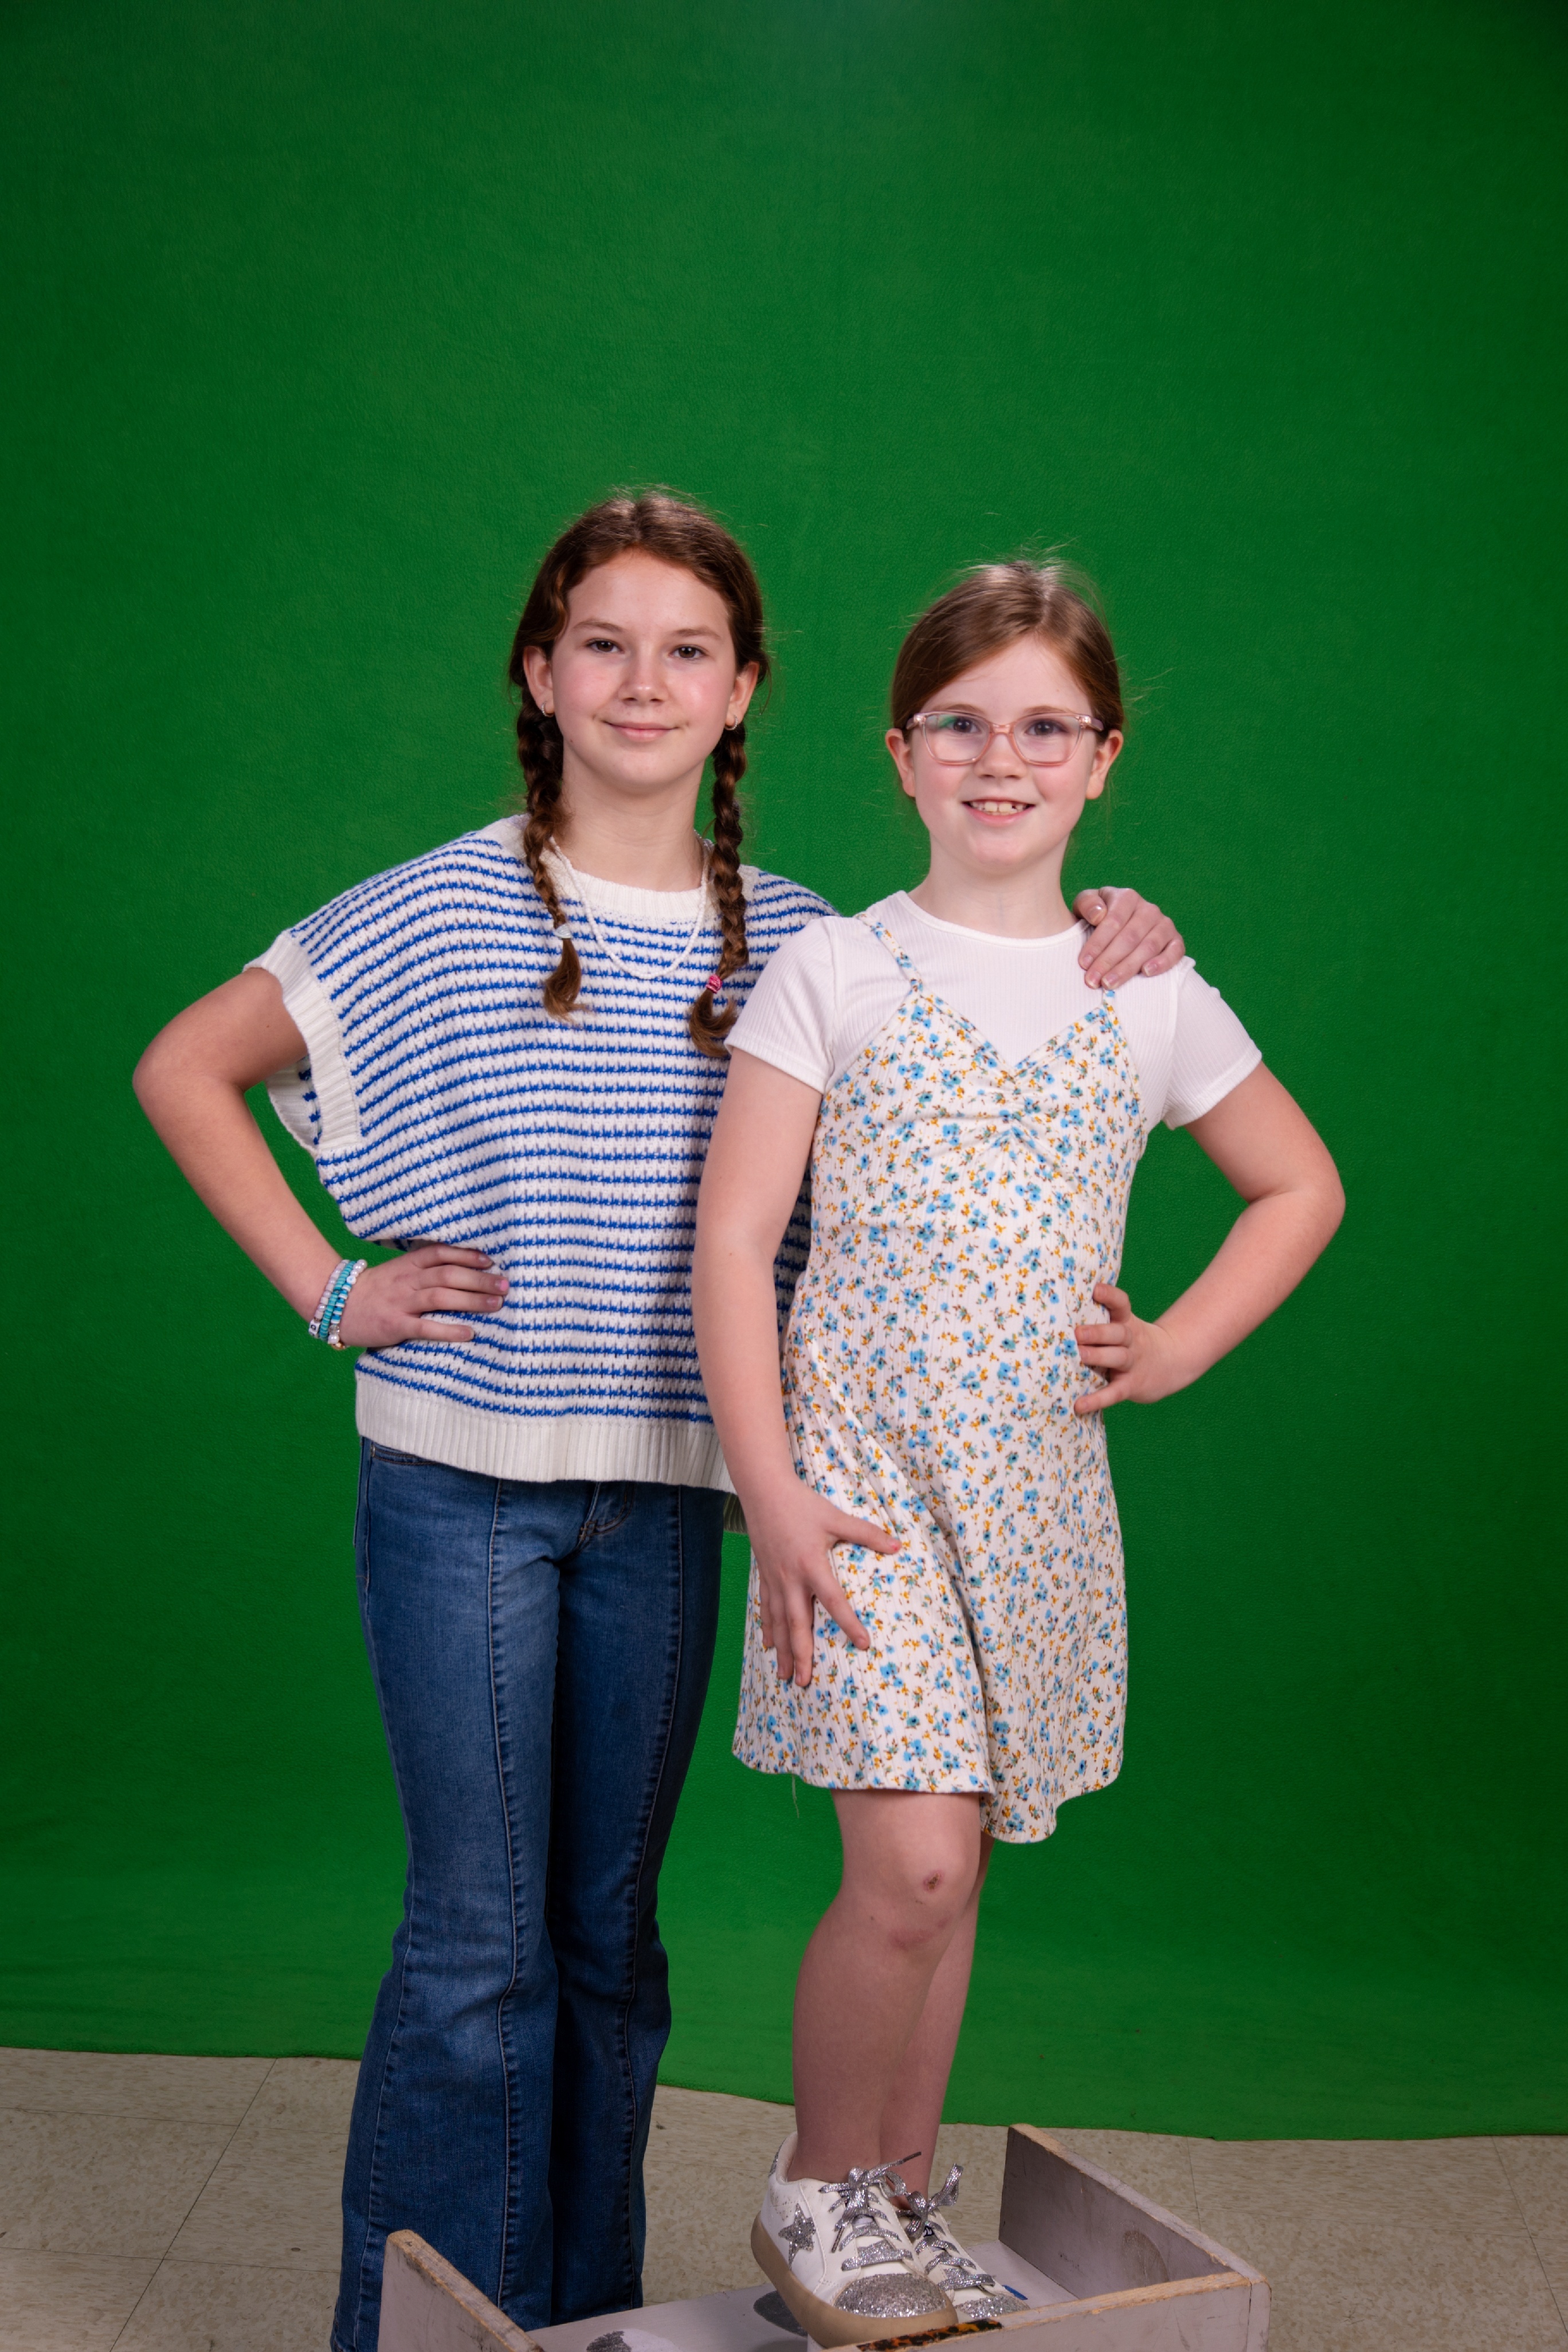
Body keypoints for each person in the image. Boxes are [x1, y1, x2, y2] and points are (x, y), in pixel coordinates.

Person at [131, 497, 1182, 2345]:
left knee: (611, 1941)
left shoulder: (805, 940)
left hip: (681, 1496)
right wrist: (333, 1287)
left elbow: (976, 961)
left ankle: (575, 2317)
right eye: (602, 644)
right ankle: (416, 2326)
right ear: (540, 674)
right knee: (479, 1942)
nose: (643, 681)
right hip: (462, 1485)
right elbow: (186, 1065)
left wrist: (1114, 922)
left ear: (744, 688)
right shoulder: (434, 905)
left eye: (687, 649)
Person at [692, 559, 1344, 2345]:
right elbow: (734, 1241)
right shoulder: (835, 969)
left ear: (1103, 757)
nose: (1004, 760)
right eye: (963, 725)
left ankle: (901, 2205)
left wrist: (1178, 1343)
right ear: (901, 753)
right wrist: (770, 1490)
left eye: (1047, 729)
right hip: (858, 1492)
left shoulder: (1150, 988)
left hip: (1037, 1498)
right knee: (905, 1868)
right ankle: (819, 2188)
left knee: (961, 1863)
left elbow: (1299, 1187)